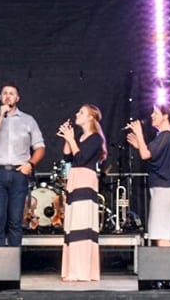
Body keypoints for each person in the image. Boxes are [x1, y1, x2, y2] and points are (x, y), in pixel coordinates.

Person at [0, 82, 45, 247]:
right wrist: (1, 116)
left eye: (11, 93)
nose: (8, 96)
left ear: (17, 98)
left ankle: (14, 263)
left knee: (16, 221)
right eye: (5, 93)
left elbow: (40, 147)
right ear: (0, 97)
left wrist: (30, 164)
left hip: (19, 174)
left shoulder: (28, 120)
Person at [56, 104, 106, 282]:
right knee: (73, 224)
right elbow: (68, 157)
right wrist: (68, 138)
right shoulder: (80, 136)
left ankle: (81, 270)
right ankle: (73, 269)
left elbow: (82, 159)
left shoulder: (95, 139)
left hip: (85, 179)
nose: (77, 114)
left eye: (82, 112)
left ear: (91, 117)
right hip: (75, 179)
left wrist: (71, 140)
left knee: (82, 225)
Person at [126, 103, 170, 247]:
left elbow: (145, 155)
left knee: (161, 231)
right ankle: (164, 265)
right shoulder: (164, 136)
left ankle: (165, 266)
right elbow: (151, 154)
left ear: (165, 116)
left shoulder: (166, 135)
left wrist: (139, 133)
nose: (152, 116)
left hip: (164, 188)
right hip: (163, 187)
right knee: (160, 230)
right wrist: (139, 144)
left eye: (155, 113)